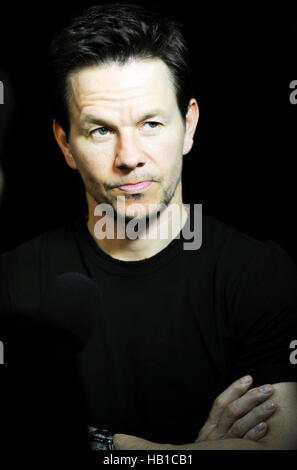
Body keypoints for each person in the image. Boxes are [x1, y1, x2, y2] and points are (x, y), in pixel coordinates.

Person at [0, 3, 297, 451]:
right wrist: (169, 455)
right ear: (65, 143)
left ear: (189, 125)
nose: (129, 156)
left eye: (151, 124)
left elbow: (274, 448)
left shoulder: (261, 277)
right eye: (101, 130)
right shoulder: (10, 284)